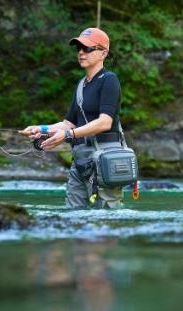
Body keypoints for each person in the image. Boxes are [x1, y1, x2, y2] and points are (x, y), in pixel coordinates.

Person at [20, 27, 125, 209]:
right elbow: (68, 123)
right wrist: (41, 129)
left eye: (88, 49)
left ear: (103, 53)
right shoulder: (81, 85)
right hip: (81, 160)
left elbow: (105, 122)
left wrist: (69, 135)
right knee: (73, 215)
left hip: (105, 160)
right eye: (79, 49)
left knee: (106, 216)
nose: (81, 53)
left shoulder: (110, 80)